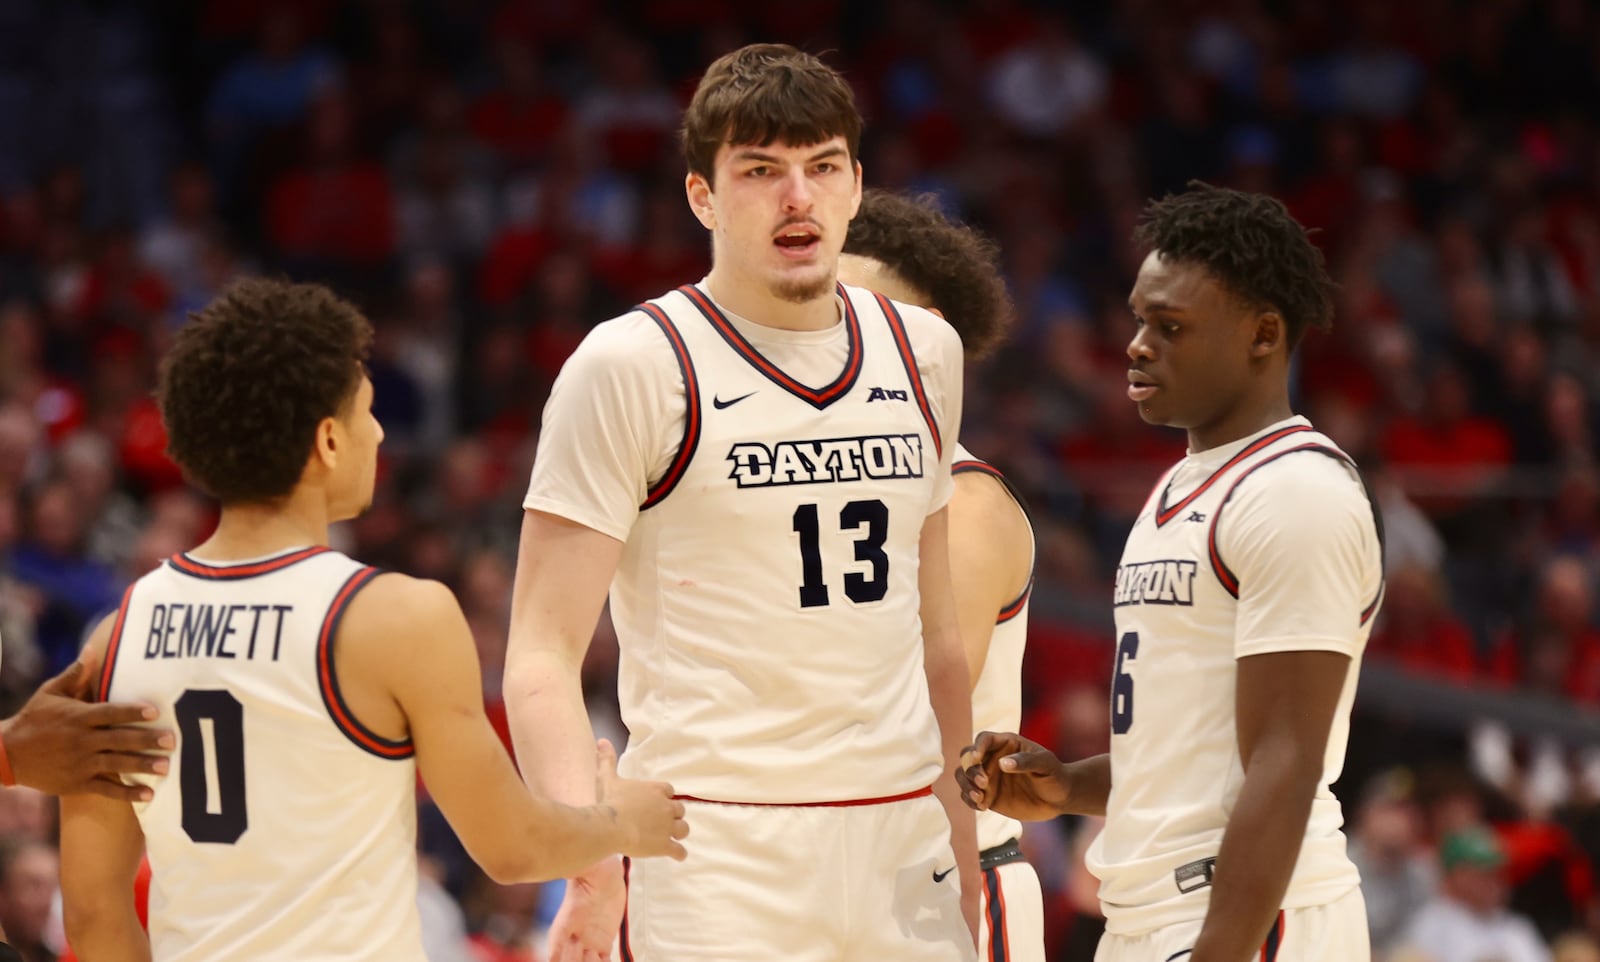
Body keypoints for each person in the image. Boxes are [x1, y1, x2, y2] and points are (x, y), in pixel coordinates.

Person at [505, 43, 977, 962]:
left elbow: (940, 640)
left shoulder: (926, 349)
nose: (797, 198)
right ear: (703, 197)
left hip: (902, 840)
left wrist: (963, 850)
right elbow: (540, 653)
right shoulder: (631, 364)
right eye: (761, 171)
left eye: (821, 167)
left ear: (855, 185)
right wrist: (590, 862)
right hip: (714, 849)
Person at [56, 278, 688, 962]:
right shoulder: (394, 617)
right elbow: (512, 848)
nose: (381, 432)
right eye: (367, 411)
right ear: (329, 440)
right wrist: (623, 823)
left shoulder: (115, 637)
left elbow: (93, 913)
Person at [958, 183, 1385, 962]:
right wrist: (1067, 787)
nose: (1136, 344)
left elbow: (1284, 762)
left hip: (1248, 918)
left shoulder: (1295, 492)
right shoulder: (1184, 483)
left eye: (1171, 326)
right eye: (1138, 318)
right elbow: (1186, 752)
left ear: (1262, 335)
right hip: (1151, 912)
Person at [837, 189, 1043, 962]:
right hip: (834, 884)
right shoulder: (810, 488)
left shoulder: (968, 504)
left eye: (869, 317)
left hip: (952, 879)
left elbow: (912, 722)